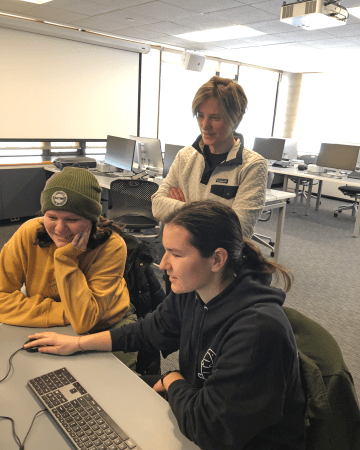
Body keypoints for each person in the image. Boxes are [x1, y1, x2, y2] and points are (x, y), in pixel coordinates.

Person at [25, 200, 306, 450]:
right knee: (95, 395)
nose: (162, 264)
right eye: (164, 251)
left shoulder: (257, 330)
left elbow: (212, 431)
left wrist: (172, 380)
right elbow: (146, 332)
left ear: (217, 259)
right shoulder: (195, 291)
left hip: (234, 437)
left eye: (177, 254)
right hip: (200, 403)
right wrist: (78, 343)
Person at [0, 166, 137, 369]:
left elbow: (84, 320)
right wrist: (64, 314)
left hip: (106, 325)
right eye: (51, 217)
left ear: (92, 220)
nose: (59, 229)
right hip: (53, 322)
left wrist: (66, 260)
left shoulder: (111, 246)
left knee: (113, 389)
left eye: (72, 219)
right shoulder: (29, 232)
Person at [151, 76, 268, 240]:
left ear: (237, 117)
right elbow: (157, 205)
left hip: (218, 262)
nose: (204, 126)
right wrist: (214, 216)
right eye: (200, 115)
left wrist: (181, 208)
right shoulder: (185, 157)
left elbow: (237, 231)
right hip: (177, 255)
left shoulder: (252, 166)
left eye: (215, 117)